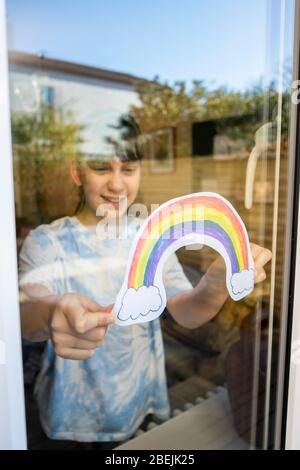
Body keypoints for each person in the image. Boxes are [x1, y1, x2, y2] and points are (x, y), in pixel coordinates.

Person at [19, 118, 272, 446]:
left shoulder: (149, 236)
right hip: (71, 419)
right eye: (101, 169)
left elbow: (186, 311)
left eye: (128, 169)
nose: (117, 184)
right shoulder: (46, 242)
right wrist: (51, 312)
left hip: (139, 406)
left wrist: (215, 284)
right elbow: (25, 313)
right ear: (76, 172)